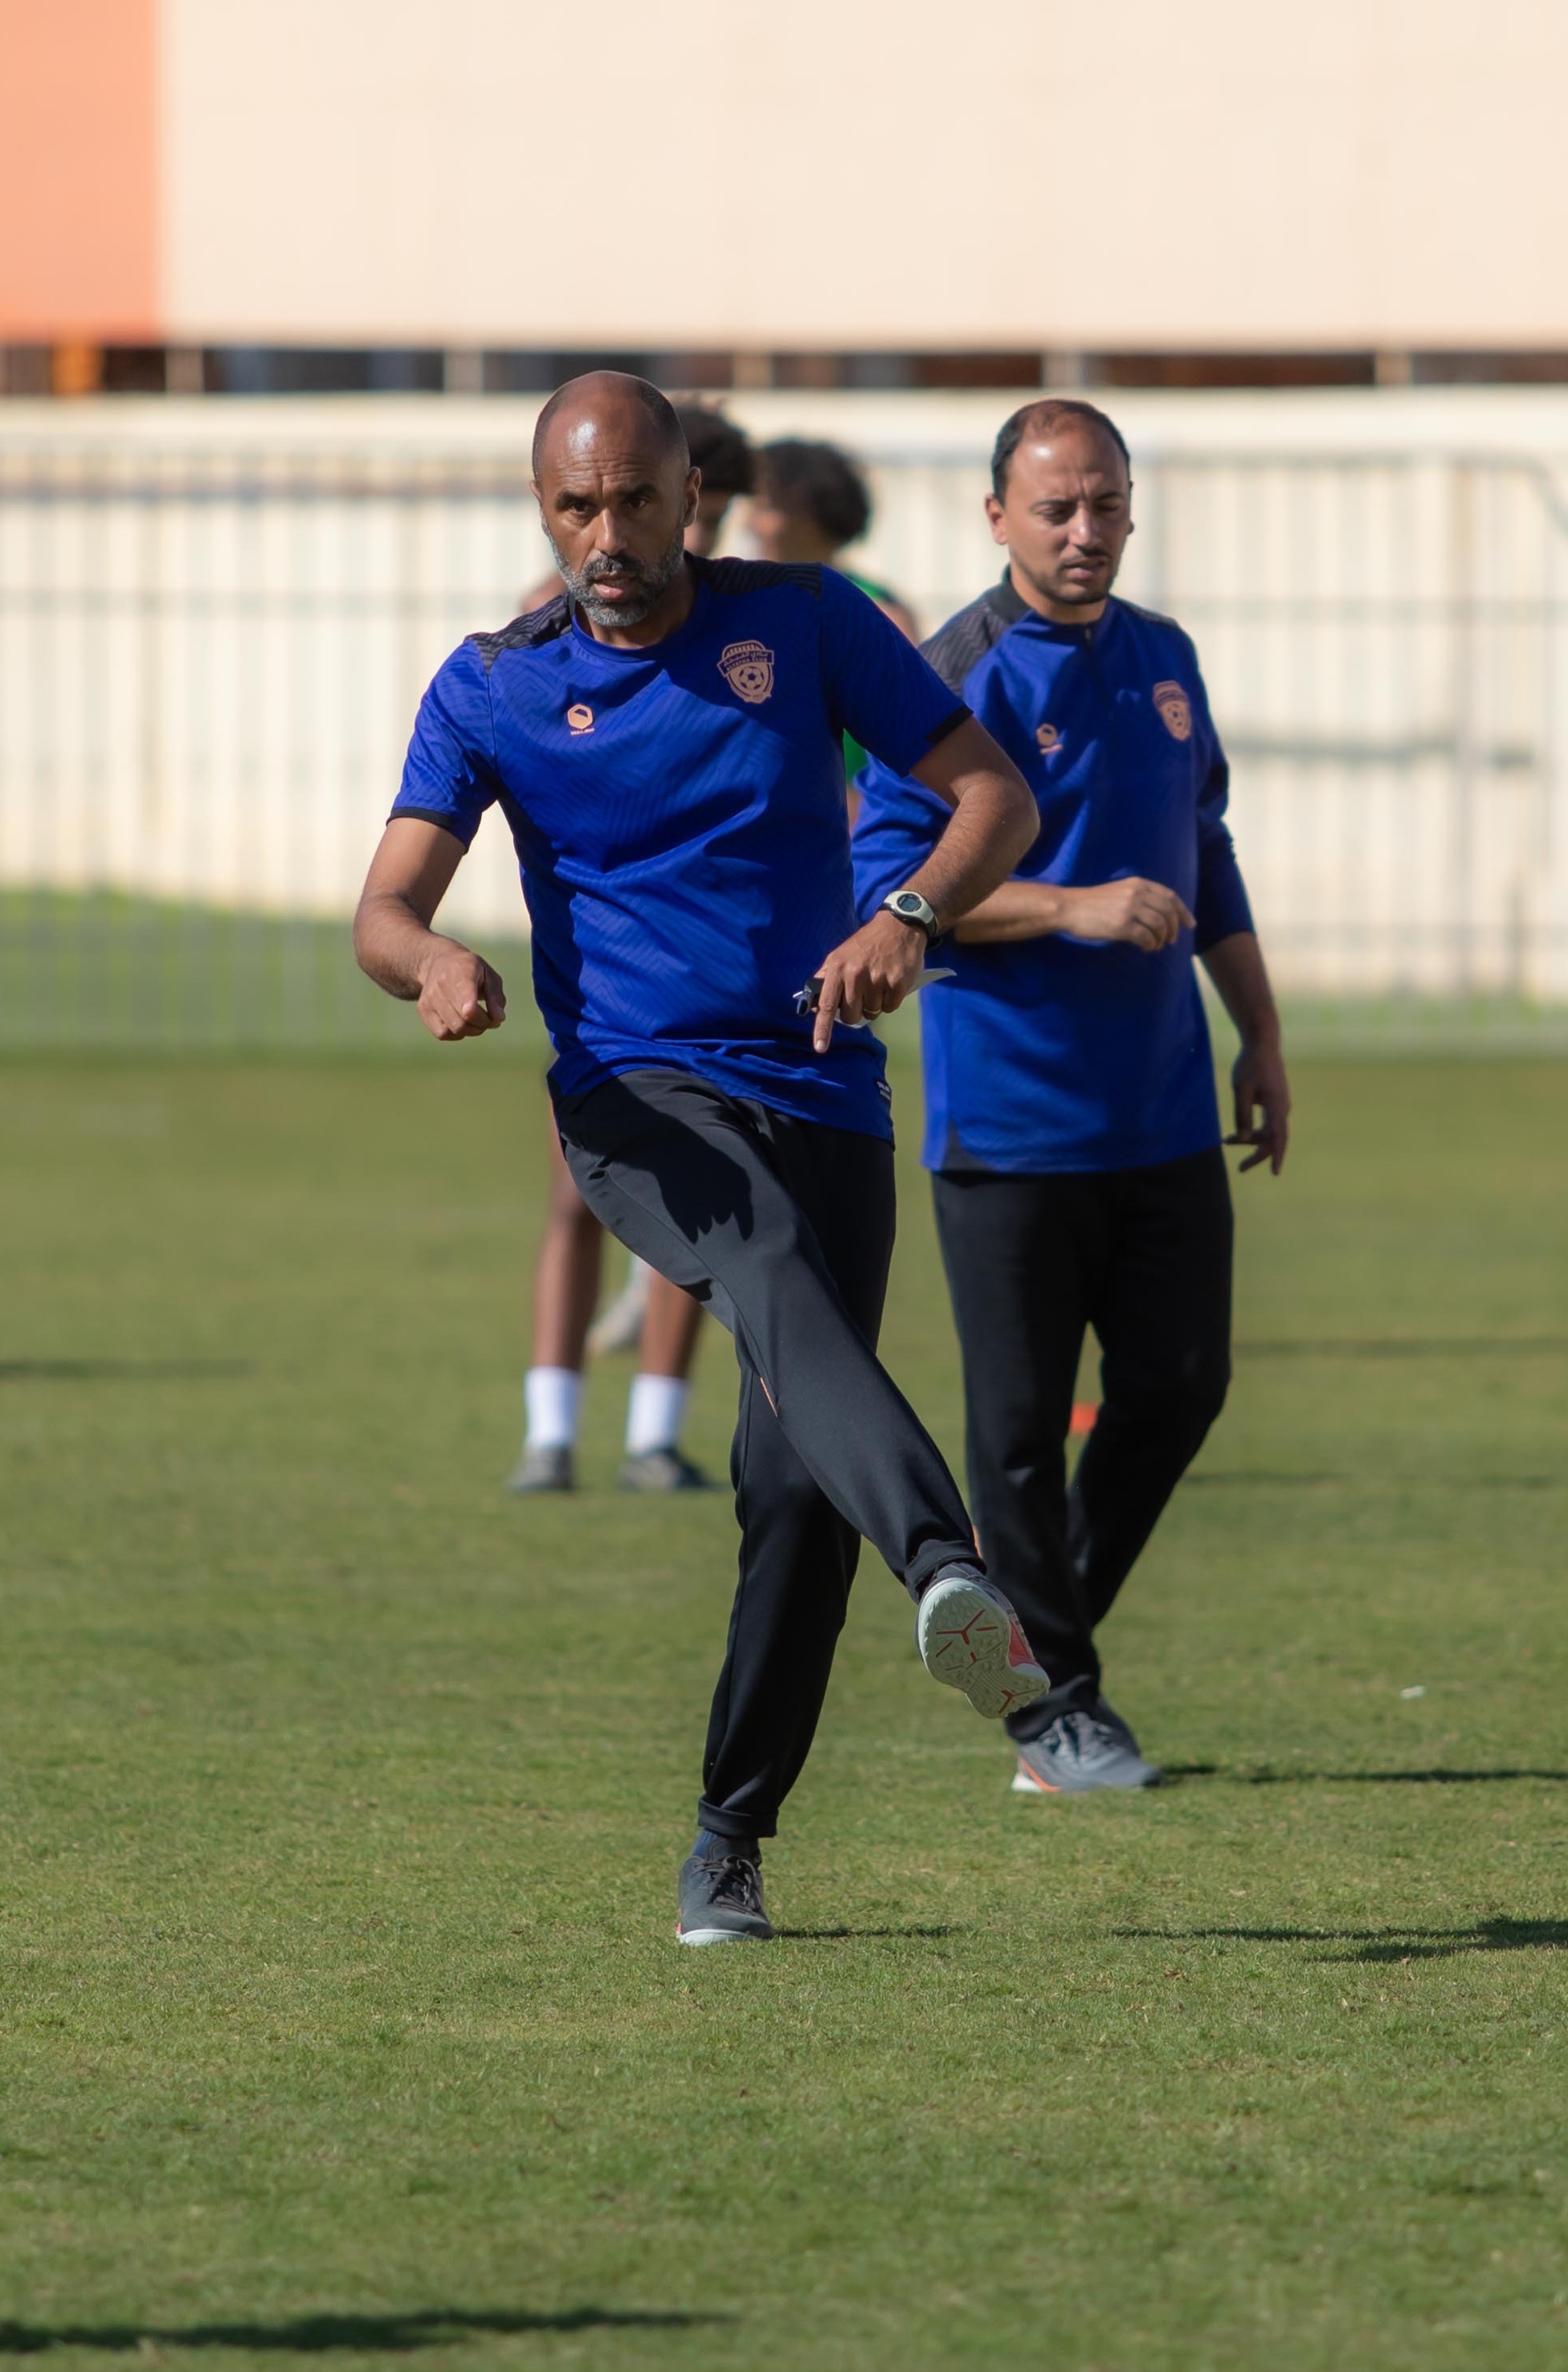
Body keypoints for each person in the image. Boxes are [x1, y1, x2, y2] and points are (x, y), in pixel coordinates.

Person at [354, 373, 1049, 1942]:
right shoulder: (490, 685)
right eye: (573, 508)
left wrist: (906, 916)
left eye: (635, 501)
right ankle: (950, 1560)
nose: (607, 535)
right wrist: (434, 964)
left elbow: (993, 796)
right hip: (631, 1095)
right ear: (544, 507)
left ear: (692, 494)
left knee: (790, 1488)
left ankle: (729, 1836)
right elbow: (381, 906)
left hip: (817, 1087)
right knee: (758, 1262)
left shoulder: (804, 623)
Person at [856, 398, 1290, 1794]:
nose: (1084, 530)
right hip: (1010, 1125)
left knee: (1180, 1384)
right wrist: (1067, 907)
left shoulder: (1165, 658)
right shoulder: (943, 678)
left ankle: (1040, 1652)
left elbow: (1203, 850)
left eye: (1105, 502)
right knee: (1016, 1435)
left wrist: (1260, 1034)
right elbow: (891, 900)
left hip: (1161, 1111)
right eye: (1055, 507)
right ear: (996, 517)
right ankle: (1059, 1717)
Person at [511, 394, 760, 1488]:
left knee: (693, 1201)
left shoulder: (760, 624)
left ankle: (654, 1430)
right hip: (600, 985)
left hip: (724, 981)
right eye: (588, 501)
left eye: (650, 500)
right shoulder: (538, 624)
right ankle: (549, 1426)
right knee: (577, 1194)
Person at [745, 435, 920, 641]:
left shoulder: (880, 615)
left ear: (814, 515)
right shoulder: (740, 603)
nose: (749, 524)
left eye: (765, 508)